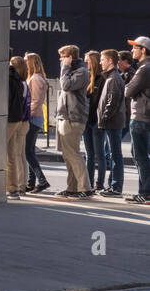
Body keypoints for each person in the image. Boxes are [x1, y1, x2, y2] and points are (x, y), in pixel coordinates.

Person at [55, 45, 92, 198]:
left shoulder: (81, 72)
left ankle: (85, 188)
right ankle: (72, 187)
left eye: (63, 56)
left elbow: (65, 85)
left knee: (73, 154)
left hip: (74, 118)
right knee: (68, 155)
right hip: (66, 117)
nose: (60, 59)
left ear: (70, 57)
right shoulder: (72, 71)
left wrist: (64, 68)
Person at [95, 49, 126, 198]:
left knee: (115, 155)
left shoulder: (113, 78)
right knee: (113, 154)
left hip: (112, 122)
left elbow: (112, 102)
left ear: (110, 61)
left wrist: (104, 118)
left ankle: (116, 187)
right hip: (111, 122)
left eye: (102, 59)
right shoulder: (110, 77)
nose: (100, 62)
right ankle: (112, 186)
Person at [123, 36, 150, 203]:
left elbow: (128, 91)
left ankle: (145, 192)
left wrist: (128, 86)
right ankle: (144, 192)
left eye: (135, 47)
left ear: (144, 50)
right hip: (144, 116)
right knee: (140, 155)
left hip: (140, 117)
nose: (132, 50)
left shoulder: (144, 69)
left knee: (140, 155)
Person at [23, 52, 50, 192]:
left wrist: (26, 115)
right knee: (29, 150)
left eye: (26, 60)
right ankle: (31, 182)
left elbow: (36, 101)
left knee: (28, 151)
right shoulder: (35, 77)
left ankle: (42, 180)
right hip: (34, 117)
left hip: (33, 117)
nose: (24, 62)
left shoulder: (36, 78)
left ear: (31, 62)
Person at [82, 50, 107, 195]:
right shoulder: (88, 77)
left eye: (88, 61)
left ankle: (99, 184)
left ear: (94, 62)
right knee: (89, 154)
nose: (86, 63)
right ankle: (89, 182)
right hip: (87, 120)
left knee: (99, 154)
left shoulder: (102, 78)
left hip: (97, 121)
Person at [5, 57, 30, 200]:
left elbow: (6, 100)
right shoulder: (20, 80)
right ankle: (13, 189)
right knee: (12, 155)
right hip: (17, 119)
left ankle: (10, 187)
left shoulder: (8, 78)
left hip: (9, 119)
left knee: (2, 153)